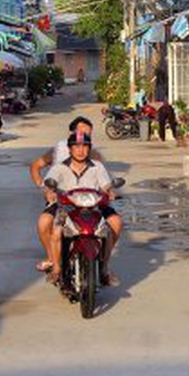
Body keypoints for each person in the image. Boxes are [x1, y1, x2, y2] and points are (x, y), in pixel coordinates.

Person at [39, 132, 123, 285]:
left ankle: (105, 269)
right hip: (67, 208)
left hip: (94, 206)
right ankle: (57, 268)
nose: (80, 150)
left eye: (85, 146)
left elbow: (105, 185)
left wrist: (110, 191)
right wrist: (49, 192)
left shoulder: (97, 166)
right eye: (76, 146)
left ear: (89, 148)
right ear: (70, 149)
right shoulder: (59, 167)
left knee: (113, 226)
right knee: (57, 231)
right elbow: (47, 185)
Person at [29, 117, 105, 276]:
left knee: (107, 228)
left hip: (87, 201)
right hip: (62, 201)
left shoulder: (95, 157)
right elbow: (36, 166)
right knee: (46, 224)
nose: (82, 146)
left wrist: (107, 192)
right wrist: (44, 188)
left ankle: (103, 268)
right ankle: (52, 260)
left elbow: (103, 180)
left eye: (88, 136)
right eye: (81, 133)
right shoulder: (58, 152)